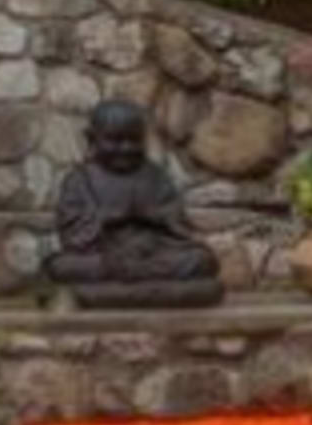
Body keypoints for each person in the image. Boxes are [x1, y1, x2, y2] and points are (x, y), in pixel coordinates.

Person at [48, 98, 224, 304]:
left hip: (152, 254)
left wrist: (152, 216)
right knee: (60, 267)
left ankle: (101, 294)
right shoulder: (79, 180)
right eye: (115, 140)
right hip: (106, 257)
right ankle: (150, 289)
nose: (126, 148)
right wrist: (107, 217)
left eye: (134, 140)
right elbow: (72, 233)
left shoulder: (155, 176)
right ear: (91, 139)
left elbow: (178, 226)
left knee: (202, 260)